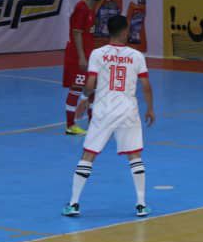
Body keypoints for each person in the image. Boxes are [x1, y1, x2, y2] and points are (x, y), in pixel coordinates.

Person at [62, 15, 155, 218]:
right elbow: (146, 86)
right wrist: (150, 108)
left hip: (103, 110)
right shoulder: (136, 56)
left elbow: (90, 84)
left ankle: (74, 203)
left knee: (89, 154)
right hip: (127, 110)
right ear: (125, 32)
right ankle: (141, 204)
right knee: (134, 156)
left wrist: (84, 99)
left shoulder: (98, 54)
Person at [63, 0, 104, 135]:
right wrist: (81, 57)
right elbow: (76, 33)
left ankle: (93, 122)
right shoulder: (81, 8)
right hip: (78, 57)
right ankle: (70, 125)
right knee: (76, 88)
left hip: (88, 56)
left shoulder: (91, 9)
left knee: (93, 88)